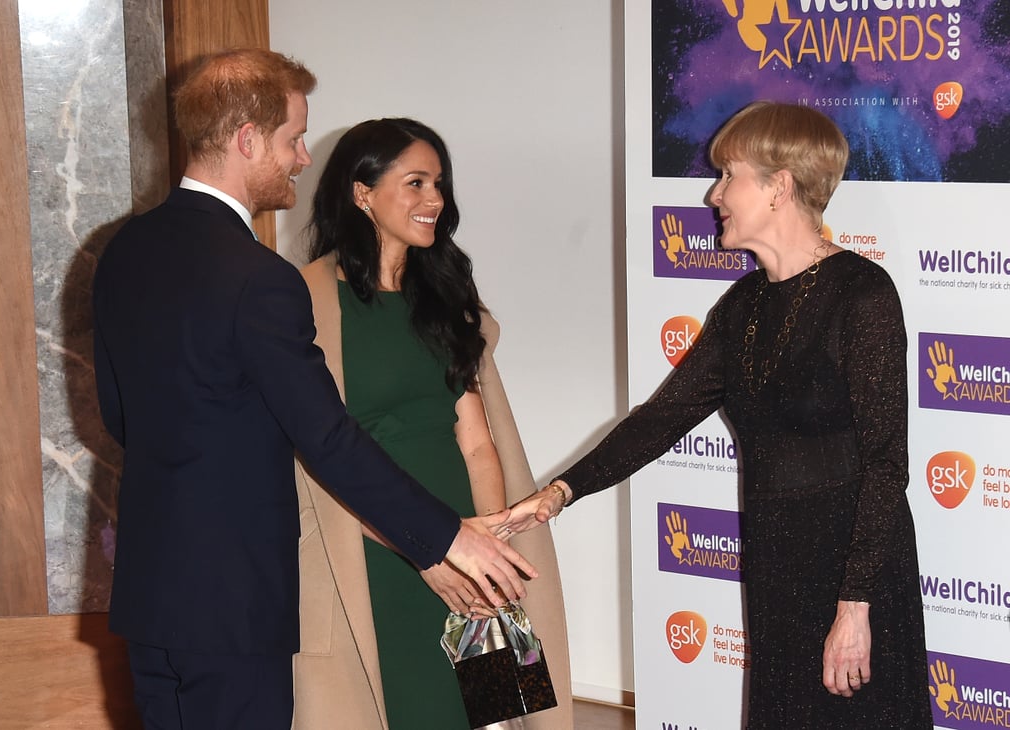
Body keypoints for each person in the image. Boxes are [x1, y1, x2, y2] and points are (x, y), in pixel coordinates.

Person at [91, 50, 537, 730]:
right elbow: (326, 438)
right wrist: (447, 538)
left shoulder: (125, 249)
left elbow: (120, 416)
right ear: (247, 141)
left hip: (153, 589)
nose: (303, 157)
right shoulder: (262, 279)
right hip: (238, 601)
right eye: (293, 139)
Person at [504, 101, 932, 727]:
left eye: (729, 175)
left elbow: (886, 464)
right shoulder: (743, 305)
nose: (714, 194)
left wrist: (855, 606)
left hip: (854, 570)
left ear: (779, 187)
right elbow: (663, 417)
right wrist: (561, 492)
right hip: (777, 564)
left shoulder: (862, 295)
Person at [291, 118, 572, 729]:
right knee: (412, 709)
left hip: (468, 542)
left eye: (439, 183)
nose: (436, 200)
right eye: (415, 182)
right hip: (377, 550)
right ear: (362, 192)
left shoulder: (441, 298)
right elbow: (313, 463)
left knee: (491, 712)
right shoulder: (305, 301)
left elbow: (477, 443)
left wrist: (486, 550)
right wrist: (428, 551)